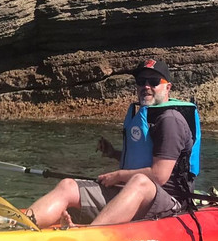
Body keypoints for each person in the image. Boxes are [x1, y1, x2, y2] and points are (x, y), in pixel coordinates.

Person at [26, 58, 198, 228]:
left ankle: (90, 235)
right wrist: (114, 153)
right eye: (141, 81)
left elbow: (159, 175)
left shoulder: (170, 121)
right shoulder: (146, 116)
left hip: (168, 202)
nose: (146, 86)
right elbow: (143, 160)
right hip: (129, 192)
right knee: (67, 186)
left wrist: (118, 176)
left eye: (153, 82)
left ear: (168, 87)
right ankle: (20, 226)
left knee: (140, 181)